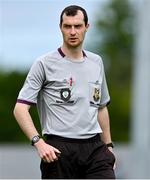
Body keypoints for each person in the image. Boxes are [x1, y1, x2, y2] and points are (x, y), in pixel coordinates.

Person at [13, 5, 116, 179]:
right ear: (60, 27)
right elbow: (20, 109)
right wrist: (39, 143)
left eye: (78, 26)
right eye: (67, 26)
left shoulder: (96, 62)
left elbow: (101, 107)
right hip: (59, 149)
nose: (73, 31)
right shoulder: (44, 64)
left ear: (87, 27)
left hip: (95, 149)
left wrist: (109, 146)